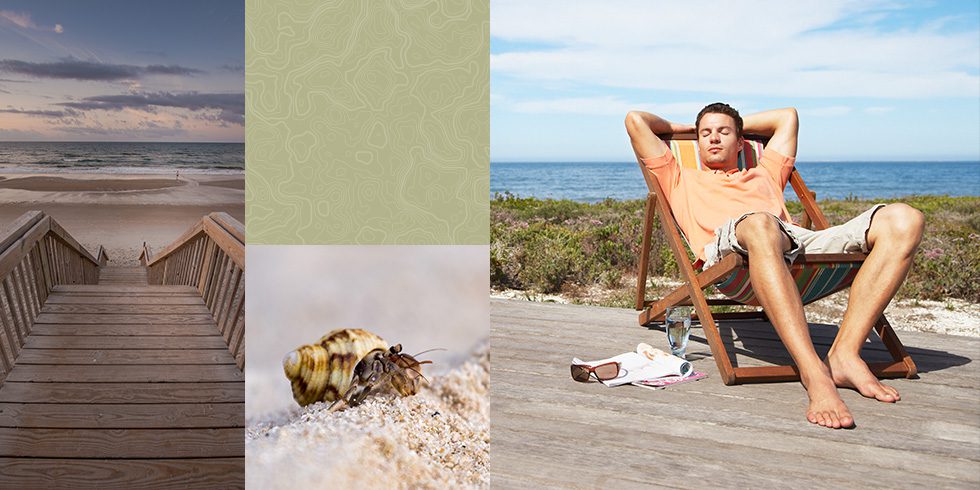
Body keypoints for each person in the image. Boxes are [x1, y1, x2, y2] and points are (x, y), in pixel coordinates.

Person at [624, 103, 925, 429]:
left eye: (724, 132)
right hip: (733, 248)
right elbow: (636, 120)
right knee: (760, 224)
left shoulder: (765, 171)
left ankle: (845, 354)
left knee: (905, 219)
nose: (714, 139)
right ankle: (813, 372)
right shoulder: (678, 176)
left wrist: (734, 127)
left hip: (794, 242)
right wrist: (689, 130)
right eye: (706, 134)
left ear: (741, 142)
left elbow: (787, 117)